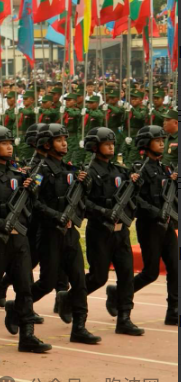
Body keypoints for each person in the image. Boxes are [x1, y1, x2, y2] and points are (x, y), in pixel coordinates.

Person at [0, 125, 52, 353]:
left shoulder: (18, 173)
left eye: (11, 143)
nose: (10, 147)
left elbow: (29, 208)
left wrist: (31, 191)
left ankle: (27, 335)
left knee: (25, 286)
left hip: (19, 237)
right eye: (4, 144)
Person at [29, 124, 101, 344]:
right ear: (47, 144)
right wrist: (55, 216)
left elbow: (81, 199)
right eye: (59, 140)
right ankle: (20, 306)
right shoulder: (39, 170)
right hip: (49, 232)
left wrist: (86, 184)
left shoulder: (70, 168)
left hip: (70, 233)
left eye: (64, 139)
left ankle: (79, 327)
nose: (64, 143)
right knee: (47, 282)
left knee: (79, 280)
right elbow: (34, 203)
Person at [82, 127, 144, 336]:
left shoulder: (120, 170)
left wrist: (136, 182)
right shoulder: (88, 172)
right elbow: (83, 202)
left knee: (126, 275)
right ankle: (71, 298)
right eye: (106, 143)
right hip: (100, 231)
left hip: (121, 232)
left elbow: (133, 193)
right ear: (94, 147)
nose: (111, 146)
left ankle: (124, 318)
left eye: (112, 143)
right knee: (98, 277)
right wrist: (103, 211)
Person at [131, 126, 178, 325]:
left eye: (162, 139)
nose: (161, 142)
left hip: (167, 225)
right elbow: (137, 199)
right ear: (146, 144)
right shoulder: (140, 170)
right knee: (150, 272)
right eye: (157, 140)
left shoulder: (164, 168)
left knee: (176, 268)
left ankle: (173, 311)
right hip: (150, 226)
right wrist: (156, 212)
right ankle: (119, 293)